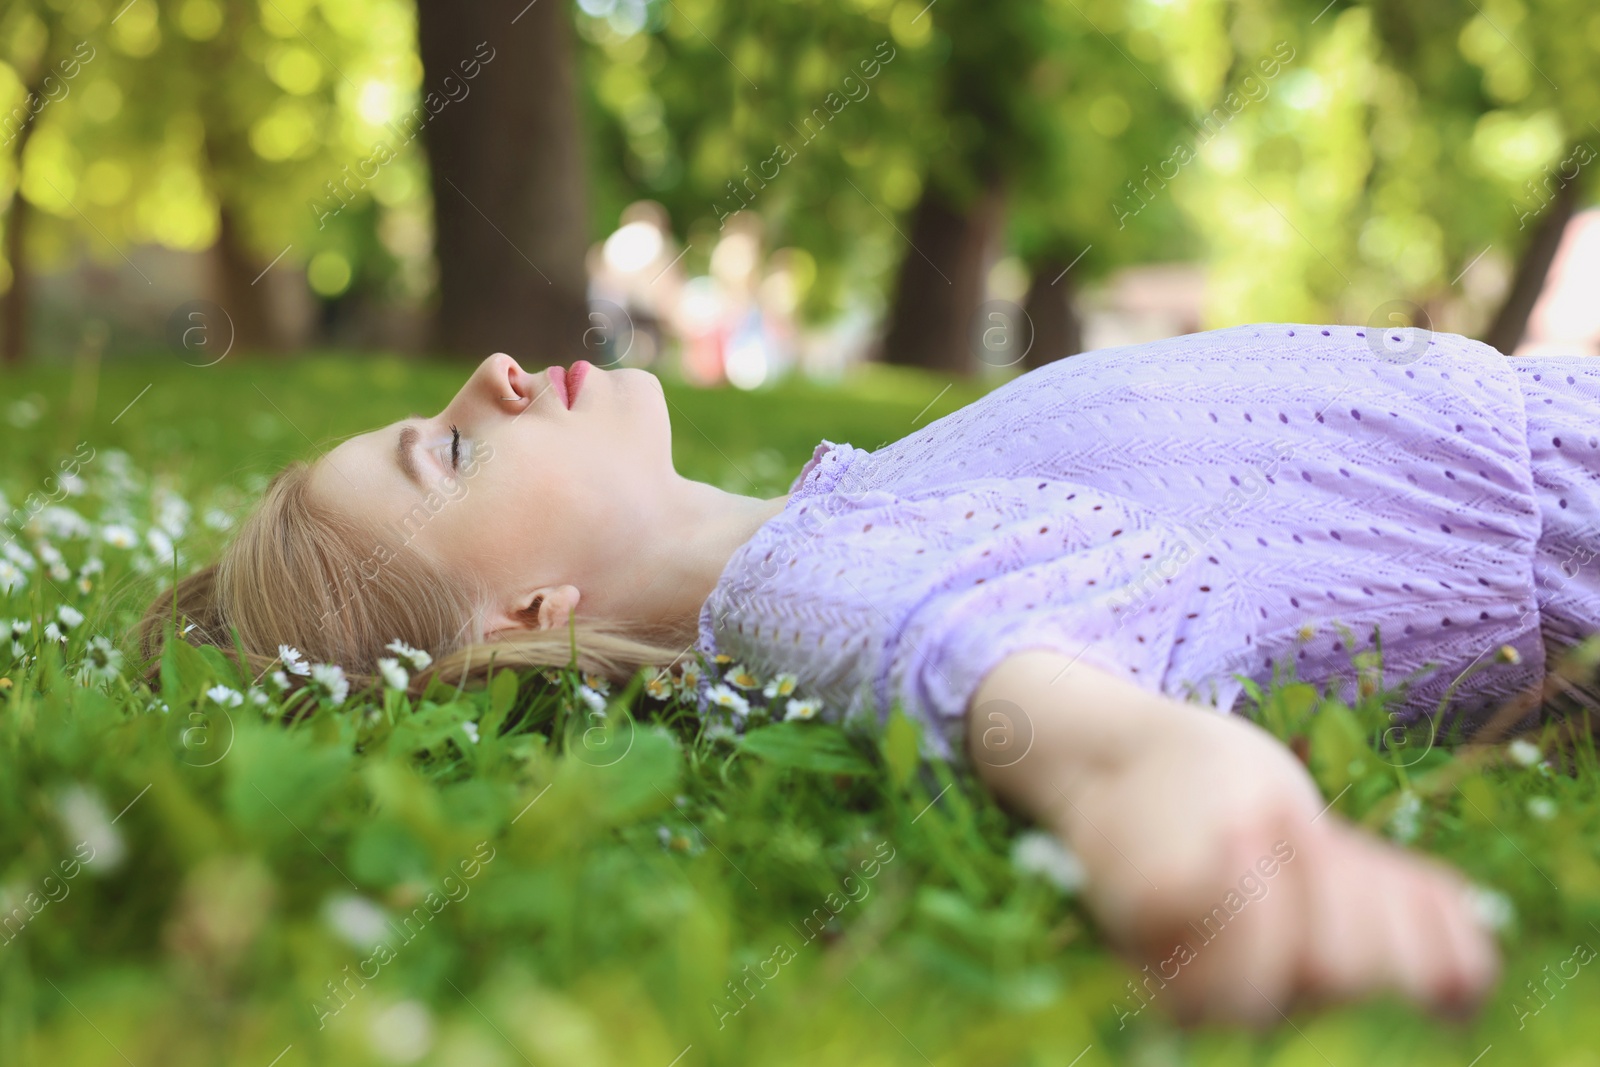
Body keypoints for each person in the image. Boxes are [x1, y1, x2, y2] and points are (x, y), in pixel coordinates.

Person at [145, 321, 1600, 1025]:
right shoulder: (802, 589)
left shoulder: (836, 511)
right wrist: (1181, 808)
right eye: (453, 453)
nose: (495, 374)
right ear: (528, 610)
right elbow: (1016, 673)